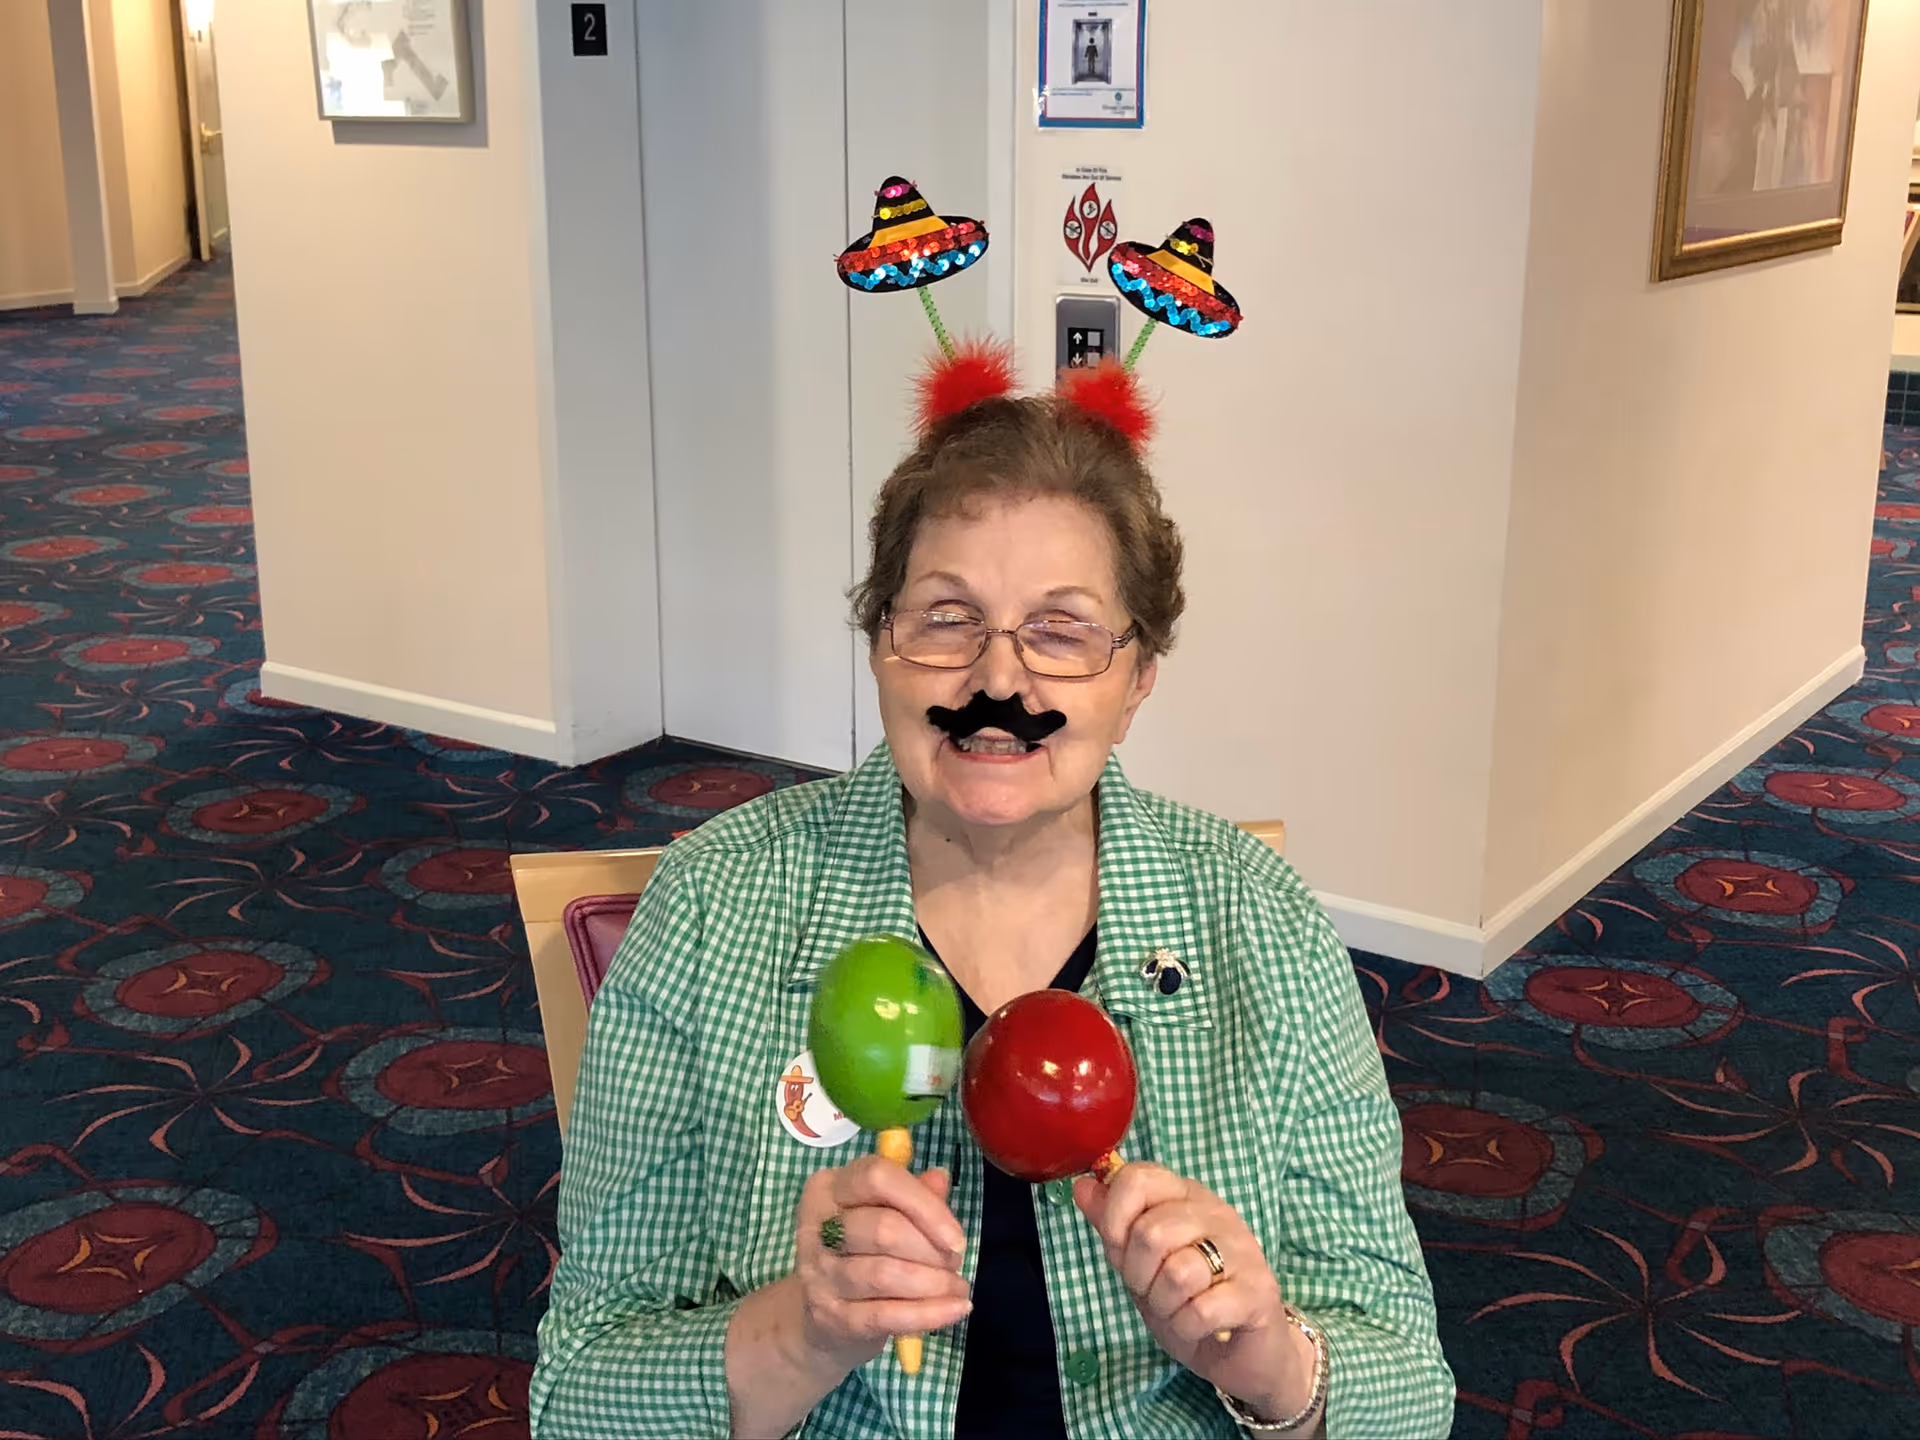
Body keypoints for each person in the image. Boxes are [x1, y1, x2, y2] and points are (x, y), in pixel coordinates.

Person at [529, 387, 1454, 1437]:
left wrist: (1274, 1363)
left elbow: (1413, 1393)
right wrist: (806, 1333)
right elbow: (577, 1402)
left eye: (1061, 631)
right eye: (945, 618)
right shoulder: (716, 905)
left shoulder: (1255, 917)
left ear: (1139, 675)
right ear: (880, 642)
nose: (997, 677)